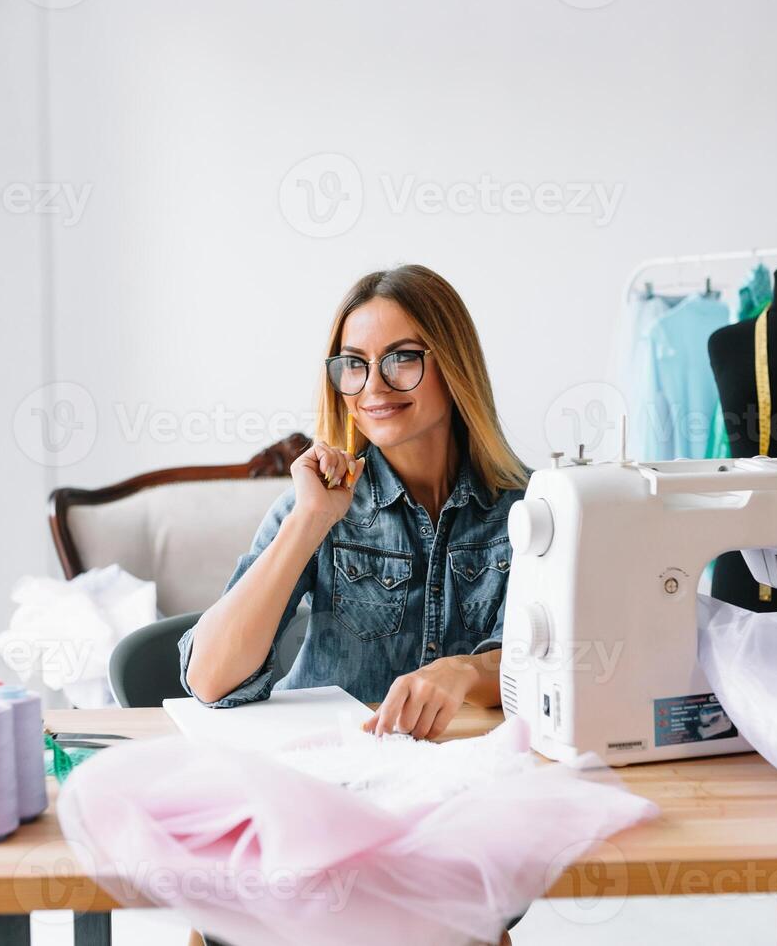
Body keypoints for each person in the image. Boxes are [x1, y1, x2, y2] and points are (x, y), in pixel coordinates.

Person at [180, 263, 528, 739]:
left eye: (401, 357)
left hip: (469, 774)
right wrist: (309, 521)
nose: (373, 386)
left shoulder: (530, 510)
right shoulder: (314, 506)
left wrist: (464, 671)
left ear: (453, 364)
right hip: (330, 775)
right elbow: (210, 681)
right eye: (354, 364)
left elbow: (546, 662)